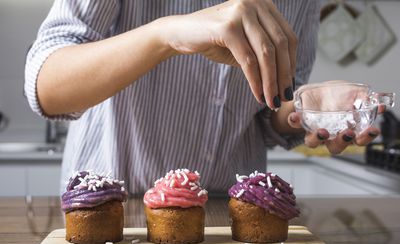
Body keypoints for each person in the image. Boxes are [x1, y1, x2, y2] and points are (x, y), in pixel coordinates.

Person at [24, 0, 380, 195]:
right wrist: (166, 34)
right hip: (114, 213)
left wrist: (307, 107)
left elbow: (271, 112)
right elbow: (47, 86)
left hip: (231, 217)